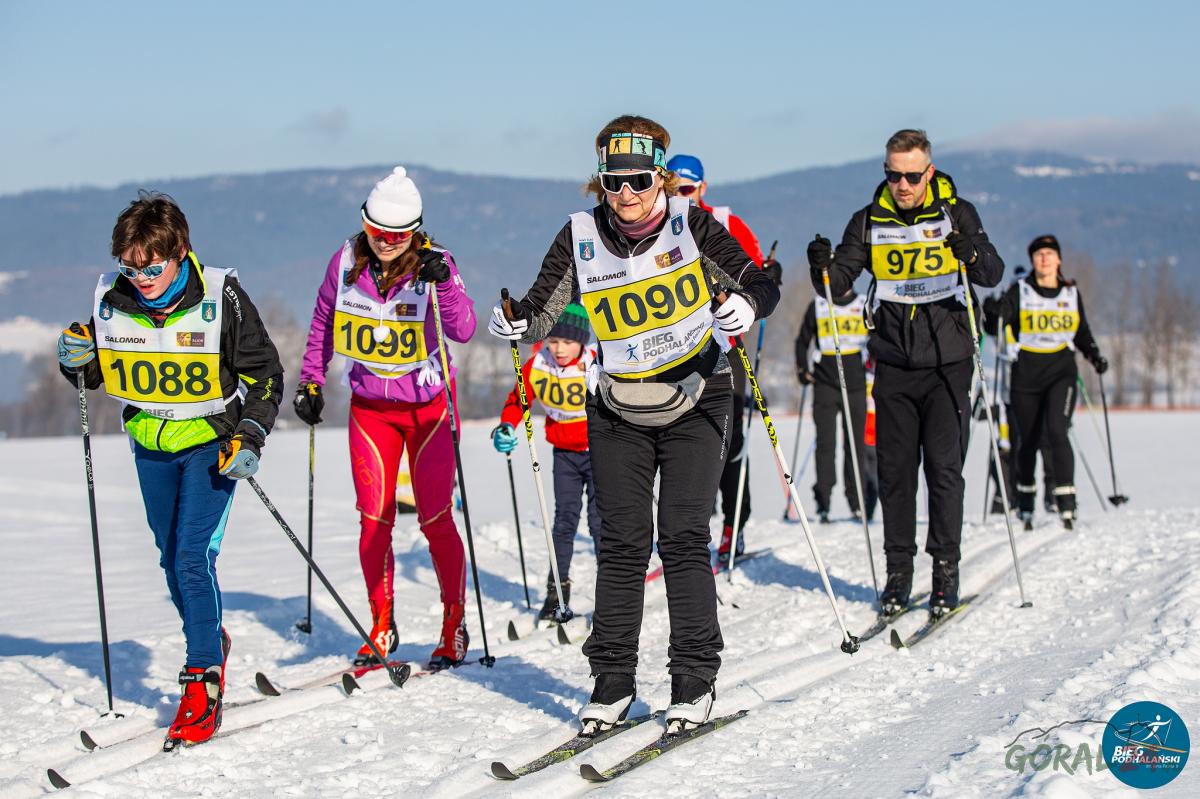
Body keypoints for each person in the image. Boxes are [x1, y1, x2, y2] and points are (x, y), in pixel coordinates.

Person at [488, 116, 779, 733]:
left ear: (661, 178)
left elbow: (759, 280)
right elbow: (542, 308)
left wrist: (747, 303)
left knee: (681, 534)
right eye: (613, 181)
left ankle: (694, 678)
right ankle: (612, 682)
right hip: (617, 402)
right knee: (621, 541)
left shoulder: (691, 225)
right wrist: (516, 322)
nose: (626, 194)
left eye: (640, 180)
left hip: (696, 395)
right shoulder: (580, 235)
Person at [56, 191, 283, 746]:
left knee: (191, 557)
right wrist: (76, 361)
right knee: (169, 556)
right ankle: (210, 637)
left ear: (180, 252)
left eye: (152, 267)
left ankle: (202, 677)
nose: (142, 279)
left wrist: (250, 434)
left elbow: (265, 375)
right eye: (129, 268)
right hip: (151, 443)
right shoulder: (113, 298)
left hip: (211, 440)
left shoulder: (222, 296)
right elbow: (100, 372)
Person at [808, 129, 1004, 617]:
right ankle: (899, 573)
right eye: (893, 175)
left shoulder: (956, 212)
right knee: (895, 475)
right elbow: (838, 282)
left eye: (912, 177)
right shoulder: (869, 220)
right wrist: (821, 268)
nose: (902, 185)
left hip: (948, 363)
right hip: (894, 362)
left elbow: (992, 272)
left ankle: (945, 571)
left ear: (929, 172)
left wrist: (970, 253)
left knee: (944, 470)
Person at [294, 167, 478, 670]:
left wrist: (445, 286)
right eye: (378, 232)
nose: (387, 242)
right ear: (365, 224)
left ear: (415, 231)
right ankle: (381, 623)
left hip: (428, 411)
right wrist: (311, 380)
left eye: (399, 235)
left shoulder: (437, 263)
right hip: (371, 410)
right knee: (374, 521)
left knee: (435, 518)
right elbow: (324, 320)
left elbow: (464, 329)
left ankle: (453, 624)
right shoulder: (344, 262)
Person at [666, 153, 781, 566]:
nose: (680, 197)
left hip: (724, 347)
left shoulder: (725, 222)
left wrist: (768, 277)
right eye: (672, 190)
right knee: (677, 439)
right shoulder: (656, 225)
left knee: (727, 440)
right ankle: (685, 533)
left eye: (687, 189)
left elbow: (757, 276)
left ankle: (734, 525)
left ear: (703, 188)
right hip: (673, 351)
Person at [981, 235, 1106, 530]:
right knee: (1028, 440)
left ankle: (1066, 501)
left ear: (1058, 259)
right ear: (1033, 260)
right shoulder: (1021, 291)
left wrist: (1094, 356)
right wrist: (992, 313)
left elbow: (1081, 332)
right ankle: (1025, 500)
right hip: (1026, 374)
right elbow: (999, 323)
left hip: (1061, 371)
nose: (1044, 259)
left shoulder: (1070, 293)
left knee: (1058, 431)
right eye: (1039, 254)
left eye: (1050, 253)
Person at [492, 303, 601, 622]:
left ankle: (611, 591)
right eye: (553, 341)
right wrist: (506, 425)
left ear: (581, 341)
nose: (559, 349)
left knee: (600, 524)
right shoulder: (538, 364)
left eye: (567, 342)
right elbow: (518, 400)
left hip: (599, 453)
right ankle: (557, 591)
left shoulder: (595, 361)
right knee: (564, 522)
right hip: (564, 455)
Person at [793, 288, 870, 523]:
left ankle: (857, 502)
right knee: (826, 444)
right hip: (825, 383)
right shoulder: (818, 305)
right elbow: (802, 340)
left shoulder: (863, 303)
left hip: (856, 385)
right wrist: (802, 369)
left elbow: (877, 338)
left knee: (855, 445)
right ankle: (823, 502)